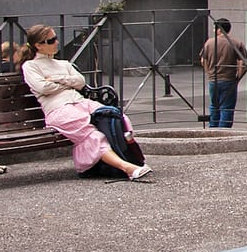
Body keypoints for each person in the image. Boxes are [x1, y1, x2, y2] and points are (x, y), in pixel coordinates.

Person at [16, 24, 152, 181]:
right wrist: (68, 83)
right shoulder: (30, 66)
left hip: (80, 102)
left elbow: (80, 82)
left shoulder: (63, 64)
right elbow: (43, 88)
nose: (56, 42)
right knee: (91, 134)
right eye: (51, 40)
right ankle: (127, 168)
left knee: (117, 117)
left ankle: (130, 158)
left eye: (56, 38)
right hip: (58, 110)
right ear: (38, 45)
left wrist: (57, 79)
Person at [200, 18, 247, 128]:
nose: (214, 30)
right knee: (227, 107)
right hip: (229, 79)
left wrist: (209, 73)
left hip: (213, 80)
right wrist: (238, 77)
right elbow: (242, 62)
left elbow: (203, 60)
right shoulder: (236, 43)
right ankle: (224, 129)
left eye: (215, 28)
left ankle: (213, 128)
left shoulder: (209, 43)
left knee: (214, 106)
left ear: (219, 29)